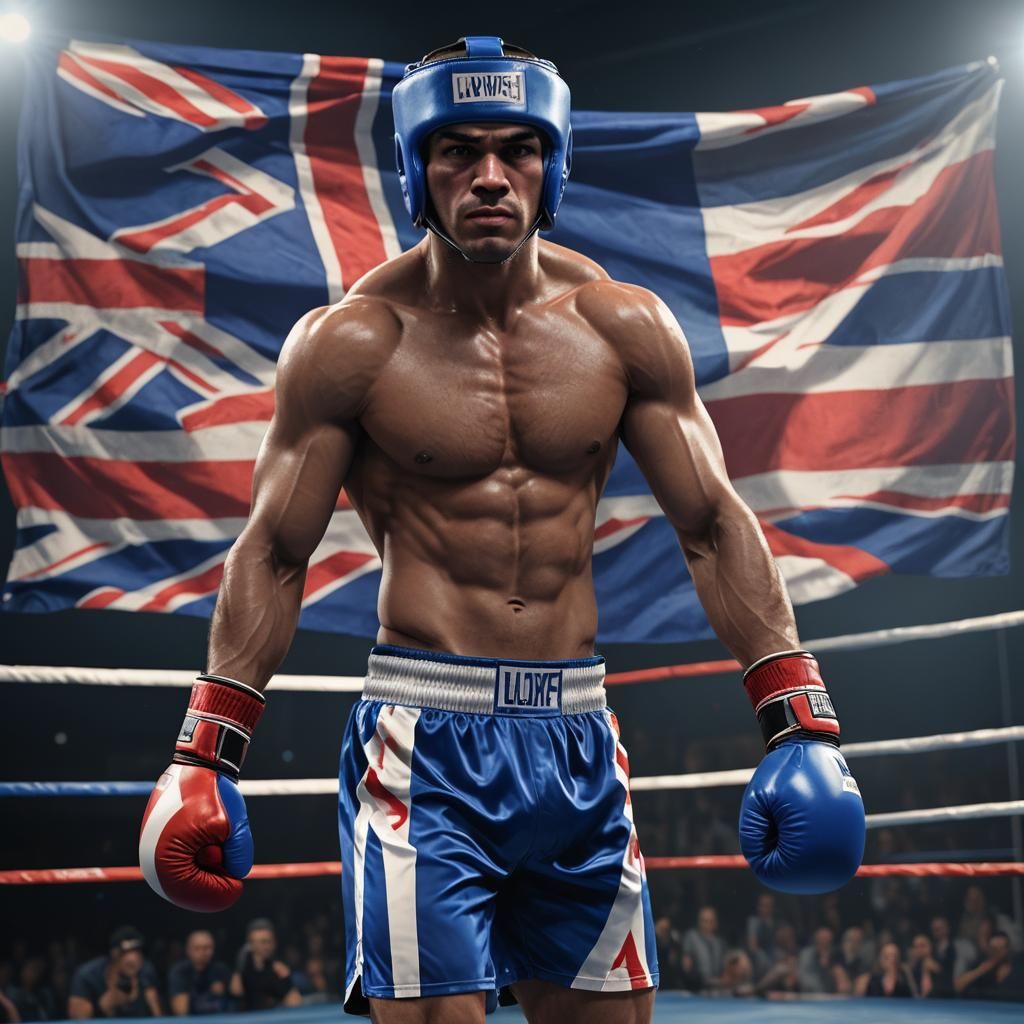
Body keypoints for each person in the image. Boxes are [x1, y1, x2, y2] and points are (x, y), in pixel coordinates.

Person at [138, 34, 865, 1024]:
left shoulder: (622, 326)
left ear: (552, 163)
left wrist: (797, 718)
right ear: (416, 170)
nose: (489, 176)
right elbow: (274, 550)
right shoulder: (353, 342)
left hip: (576, 735)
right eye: (457, 151)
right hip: (422, 743)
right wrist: (204, 753)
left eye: (517, 148)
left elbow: (709, 520)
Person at [67, 928, 162, 1019]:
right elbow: (77, 1019)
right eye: (125, 953)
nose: (133, 958)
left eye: (137, 952)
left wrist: (147, 998)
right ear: (114, 954)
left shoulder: (146, 972)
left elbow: (158, 1018)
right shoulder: (88, 975)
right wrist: (104, 1006)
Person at [228, 921, 301, 1013]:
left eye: (270, 941)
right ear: (251, 944)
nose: (267, 946)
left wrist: (287, 980)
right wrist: (238, 969)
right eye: (263, 942)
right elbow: (236, 992)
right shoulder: (243, 966)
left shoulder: (277, 967)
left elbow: (294, 1000)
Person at [167, 931, 231, 1016]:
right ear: (188, 950)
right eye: (197, 948)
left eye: (206, 948)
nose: (202, 952)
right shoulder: (180, 972)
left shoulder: (221, 970)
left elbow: (234, 1004)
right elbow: (181, 1011)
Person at [954, 930, 1024, 1000]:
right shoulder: (980, 965)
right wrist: (980, 971)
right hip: (983, 1008)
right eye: (994, 949)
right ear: (988, 948)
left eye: (1001, 948)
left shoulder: (1017, 968)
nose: (997, 952)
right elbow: (957, 987)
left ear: (1007, 949)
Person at [797, 927, 851, 995]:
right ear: (816, 939)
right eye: (821, 939)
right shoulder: (806, 955)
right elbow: (805, 978)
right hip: (811, 995)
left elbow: (844, 982)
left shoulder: (837, 955)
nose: (824, 941)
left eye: (826, 939)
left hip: (833, 995)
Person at [682, 907, 726, 990]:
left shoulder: (719, 943)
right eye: (704, 921)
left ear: (715, 923)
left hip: (717, 989)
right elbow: (686, 967)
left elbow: (725, 969)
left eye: (711, 921)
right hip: (696, 989)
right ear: (699, 922)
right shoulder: (691, 937)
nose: (707, 925)